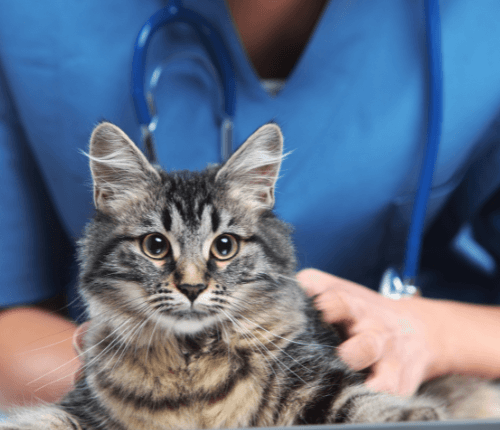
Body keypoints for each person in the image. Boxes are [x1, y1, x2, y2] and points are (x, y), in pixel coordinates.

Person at [1, 0, 500, 409]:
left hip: (420, 406)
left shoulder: (479, 23)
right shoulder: (32, 20)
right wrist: (174, 398)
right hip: (134, 422)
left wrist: (430, 332)